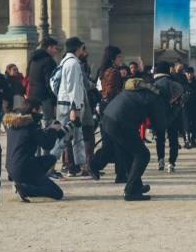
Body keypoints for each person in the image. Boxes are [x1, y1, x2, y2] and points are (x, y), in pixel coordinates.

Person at [94, 77, 173, 201]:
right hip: (120, 122)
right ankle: (130, 191)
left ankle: (136, 186)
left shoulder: (145, 92)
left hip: (109, 117)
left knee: (130, 154)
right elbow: (160, 126)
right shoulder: (156, 99)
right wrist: (175, 110)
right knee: (143, 155)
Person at [3, 99, 70, 201]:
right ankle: (25, 189)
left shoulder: (14, 123)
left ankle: (23, 183)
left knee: (51, 159)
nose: (41, 113)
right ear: (35, 109)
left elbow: (38, 135)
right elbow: (47, 145)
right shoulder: (31, 126)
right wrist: (53, 129)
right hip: (24, 168)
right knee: (58, 193)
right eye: (40, 111)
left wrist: (56, 130)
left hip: (11, 168)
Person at [54, 37, 90, 176]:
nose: (82, 50)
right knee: (65, 136)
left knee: (74, 135)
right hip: (70, 106)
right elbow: (73, 88)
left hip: (64, 103)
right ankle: (50, 164)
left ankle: (82, 166)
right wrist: (75, 109)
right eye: (81, 47)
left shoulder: (64, 61)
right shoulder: (74, 64)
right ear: (77, 48)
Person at [94, 45, 128, 182]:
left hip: (105, 107)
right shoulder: (113, 72)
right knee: (115, 142)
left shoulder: (105, 71)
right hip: (112, 108)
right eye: (119, 56)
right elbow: (110, 92)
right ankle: (95, 164)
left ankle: (121, 174)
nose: (121, 59)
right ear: (113, 58)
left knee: (114, 142)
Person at [25, 36, 59, 143]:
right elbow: (50, 83)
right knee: (48, 126)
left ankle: (35, 152)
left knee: (34, 125)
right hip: (45, 98)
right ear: (49, 48)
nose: (56, 51)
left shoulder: (33, 59)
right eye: (55, 48)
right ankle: (45, 152)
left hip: (32, 97)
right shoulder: (48, 61)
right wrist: (54, 101)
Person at [152, 62, 181, 172]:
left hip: (158, 114)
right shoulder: (174, 82)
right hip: (173, 114)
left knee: (160, 139)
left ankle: (161, 160)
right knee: (173, 139)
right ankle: (172, 162)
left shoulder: (154, 83)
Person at [182, 67, 196, 147]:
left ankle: (193, 139)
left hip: (195, 107)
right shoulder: (183, 84)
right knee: (186, 123)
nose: (189, 75)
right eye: (188, 73)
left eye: (191, 73)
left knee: (194, 124)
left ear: (193, 73)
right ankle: (187, 139)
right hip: (185, 107)